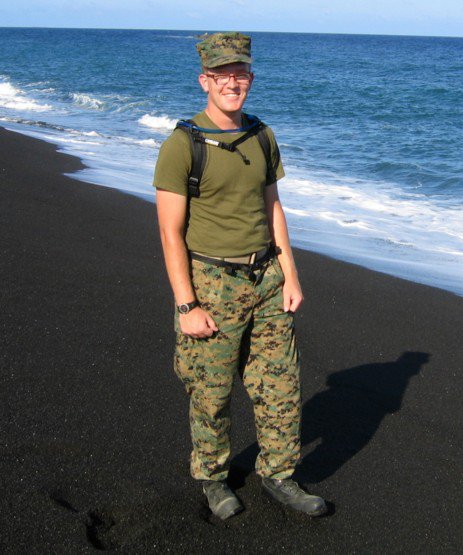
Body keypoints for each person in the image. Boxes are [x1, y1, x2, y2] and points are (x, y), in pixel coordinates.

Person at [153, 32, 327, 520]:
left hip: (267, 277)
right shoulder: (182, 144)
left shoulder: (262, 135)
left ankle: (280, 473)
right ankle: (212, 478)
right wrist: (187, 305)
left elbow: (273, 208)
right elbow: (170, 232)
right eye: (223, 74)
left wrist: (290, 275)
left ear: (251, 77)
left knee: (281, 386)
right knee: (210, 392)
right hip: (211, 282)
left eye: (242, 73)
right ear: (205, 79)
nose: (234, 82)